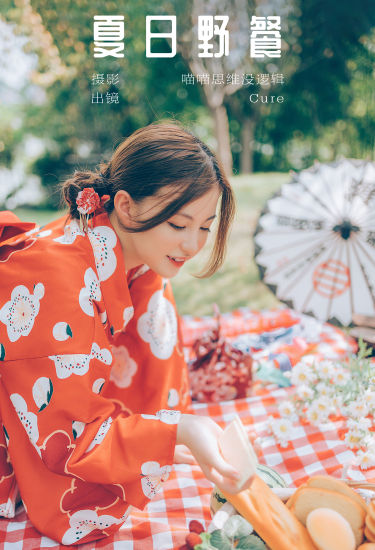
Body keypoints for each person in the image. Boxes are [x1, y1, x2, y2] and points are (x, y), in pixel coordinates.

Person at [0, 122, 247, 545]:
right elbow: (66, 440)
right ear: (128, 206)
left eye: (205, 227)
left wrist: (169, 434)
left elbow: (158, 379)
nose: (192, 245)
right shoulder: (57, 278)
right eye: (178, 224)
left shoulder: (138, 258)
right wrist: (180, 431)